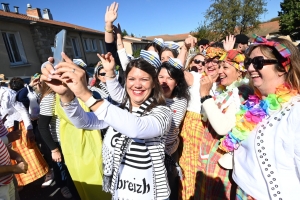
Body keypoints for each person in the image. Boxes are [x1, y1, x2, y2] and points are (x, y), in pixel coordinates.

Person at [41, 51, 173, 200]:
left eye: (144, 79)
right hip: (119, 193)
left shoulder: (163, 113)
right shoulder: (118, 110)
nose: (137, 84)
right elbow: (84, 121)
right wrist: (66, 96)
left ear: (154, 83)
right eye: (131, 78)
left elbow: (136, 128)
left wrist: (85, 94)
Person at [225, 35, 300, 199]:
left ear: (283, 67)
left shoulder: (296, 111)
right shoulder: (252, 105)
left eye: (258, 62)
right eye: (248, 63)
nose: (250, 68)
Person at [196, 49, 251, 199]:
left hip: (223, 161)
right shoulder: (225, 91)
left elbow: (222, 127)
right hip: (211, 156)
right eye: (219, 66)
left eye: (225, 67)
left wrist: (205, 95)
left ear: (240, 72)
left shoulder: (241, 93)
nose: (220, 71)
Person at [178, 46, 225, 200]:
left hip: (213, 130)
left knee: (206, 169)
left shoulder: (224, 83)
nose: (209, 64)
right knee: (190, 167)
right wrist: (184, 49)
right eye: (207, 61)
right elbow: (176, 71)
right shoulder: (196, 77)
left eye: (215, 61)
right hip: (194, 126)